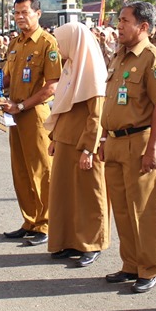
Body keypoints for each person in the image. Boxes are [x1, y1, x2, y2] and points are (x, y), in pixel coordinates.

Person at [0, 0, 61, 245]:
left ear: (38, 13)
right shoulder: (15, 43)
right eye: (17, 13)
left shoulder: (48, 43)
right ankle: (30, 220)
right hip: (13, 113)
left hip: (33, 114)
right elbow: (7, 79)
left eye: (25, 12)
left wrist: (21, 105)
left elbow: (52, 86)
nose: (20, 17)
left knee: (42, 170)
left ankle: (45, 224)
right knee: (21, 170)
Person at [100, 1, 156, 292]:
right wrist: (105, 138)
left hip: (141, 141)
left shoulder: (153, 60)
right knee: (121, 208)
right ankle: (130, 264)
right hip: (116, 141)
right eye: (118, 20)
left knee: (146, 209)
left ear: (143, 26)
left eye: (124, 21)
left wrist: (153, 148)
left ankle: (151, 267)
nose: (118, 25)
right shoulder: (120, 57)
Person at [42, 22, 108, 267]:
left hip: (83, 146)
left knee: (89, 196)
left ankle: (92, 243)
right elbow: (61, 107)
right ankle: (67, 241)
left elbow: (97, 115)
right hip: (64, 142)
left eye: (61, 42)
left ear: (74, 42)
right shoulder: (71, 67)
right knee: (63, 195)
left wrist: (89, 149)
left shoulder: (92, 72)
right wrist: (55, 139)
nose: (58, 48)